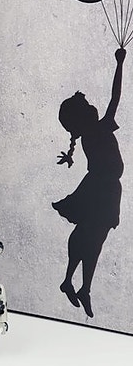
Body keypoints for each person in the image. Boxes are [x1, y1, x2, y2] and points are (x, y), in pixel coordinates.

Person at [53, 48, 125, 318]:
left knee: (92, 236)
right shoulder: (100, 127)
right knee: (91, 236)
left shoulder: (92, 132)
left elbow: (114, 98)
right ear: (83, 118)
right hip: (100, 187)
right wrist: (119, 64)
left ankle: (79, 285)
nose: (92, 107)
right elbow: (115, 96)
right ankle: (75, 283)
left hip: (107, 188)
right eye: (86, 108)